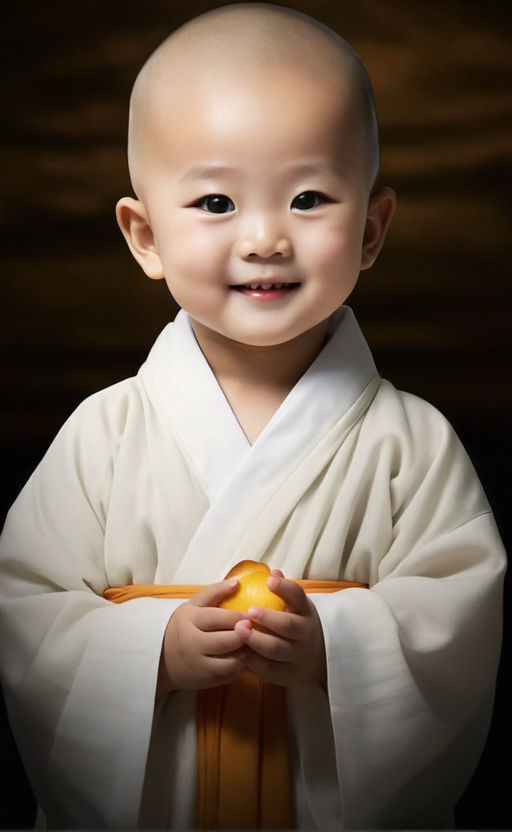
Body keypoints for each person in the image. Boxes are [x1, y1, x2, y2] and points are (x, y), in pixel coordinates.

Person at [0, 3, 505, 829]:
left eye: (308, 197)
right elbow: (24, 611)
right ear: (144, 236)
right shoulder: (104, 433)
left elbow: (458, 621)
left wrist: (333, 650)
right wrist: (150, 654)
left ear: (372, 229)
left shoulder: (411, 444)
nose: (266, 237)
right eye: (214, 203)